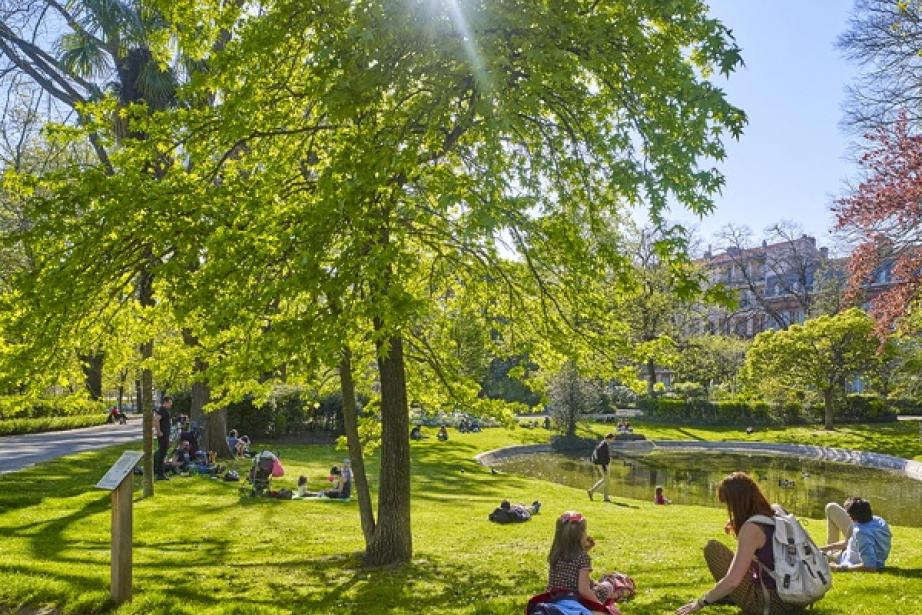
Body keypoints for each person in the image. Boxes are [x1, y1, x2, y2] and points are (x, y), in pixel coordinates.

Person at [675, 472, 797, 615]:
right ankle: (725, 593)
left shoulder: (751, 529)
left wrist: (700, 603)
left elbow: (733, 580)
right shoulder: (778, 511)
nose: (729, 509)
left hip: (771, 604)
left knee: (713, 549)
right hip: (796, 596)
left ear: (736, 502)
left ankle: (726, 594)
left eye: (728, 503)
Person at [547, 511, 619, 606]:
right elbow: (583, 590)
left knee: (594, 584)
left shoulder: (556, 553)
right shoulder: (583, 557)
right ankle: (616, 594)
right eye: (585, 531)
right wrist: (599, 606)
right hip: (576, 600)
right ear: (579, 536)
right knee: (607, 586)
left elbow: (569, 571)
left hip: (555, 596)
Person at [820, 497, 891, 572]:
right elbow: (847, 543)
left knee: (817, 557)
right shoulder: (879, 520)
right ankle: (825, 552)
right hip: (846, 553)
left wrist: (838, 568)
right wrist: (824, 548)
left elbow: (870, 566)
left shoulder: (862, 533)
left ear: (852, 517)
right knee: (821, 553)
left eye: (849, 515)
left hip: (846, 560)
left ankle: (825, 553)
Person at [587, 433, 615, 502]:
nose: (613, 440)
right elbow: (602, 459)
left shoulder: (604, 444)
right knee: (606, 481)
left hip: (604, 465)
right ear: (609, 438)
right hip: (603, 465)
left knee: (605, 480)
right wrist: (605, 468)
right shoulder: (603, 445)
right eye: (612, 439)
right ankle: (605, 497)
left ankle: (592, 491)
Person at [153, 395, 173, 481]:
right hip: (163, 435)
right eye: (170, 403)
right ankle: (160, 474)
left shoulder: (163, 410)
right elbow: (156, 420)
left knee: (161, 453)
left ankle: (158, 471)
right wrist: (158, 431)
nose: (171, 405)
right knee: (162, 454)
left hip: (165, 435)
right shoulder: (163, 410)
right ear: (166, 402)